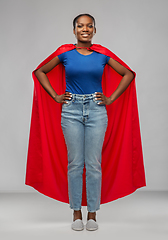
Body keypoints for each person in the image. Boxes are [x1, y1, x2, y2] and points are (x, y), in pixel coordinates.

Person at [25, 13, 146, 231]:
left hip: (96, 111)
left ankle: (92, 215)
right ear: (74, 30)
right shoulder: (65, 53)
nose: (85, 29)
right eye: (80, 26)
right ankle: (76, 214)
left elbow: (128, 74)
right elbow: (40, 71)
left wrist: (109, 98)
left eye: (89, 26)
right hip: (70, 111)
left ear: (94, 30)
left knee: (93, 165)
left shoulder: (101, 54)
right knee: (74, 164)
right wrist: (55, 96)